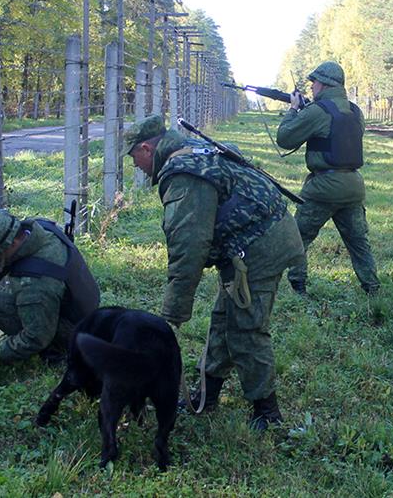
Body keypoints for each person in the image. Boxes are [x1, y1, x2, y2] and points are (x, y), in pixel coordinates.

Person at [124, 115, 305, 430]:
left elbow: (189, 249)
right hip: (254, 244)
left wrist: (172, 315)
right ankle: (207, 396)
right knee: (224, 320)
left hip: (261, 249)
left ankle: (268, 413)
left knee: (247, 329)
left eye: (133, 157)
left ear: (145, 148)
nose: (135, 165)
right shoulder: (193, 151)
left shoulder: (183, 175)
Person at [276, 61, 380, 295]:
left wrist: (293, 110)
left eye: (314, 82)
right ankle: (372, 288)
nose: (311, 87)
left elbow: (285, 138)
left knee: (298, 238)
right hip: (353, 186)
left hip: (323, 188)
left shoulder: (317, 111)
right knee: (359, 243)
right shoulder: (356, 111)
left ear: (324, 84)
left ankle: (298, 286)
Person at [0, 209, 100, 367]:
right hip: (88, 314)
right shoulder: (37, 229)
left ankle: (55, 351)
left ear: (12, 243)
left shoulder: (35, 284)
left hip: (75, 333)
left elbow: (35, 337)